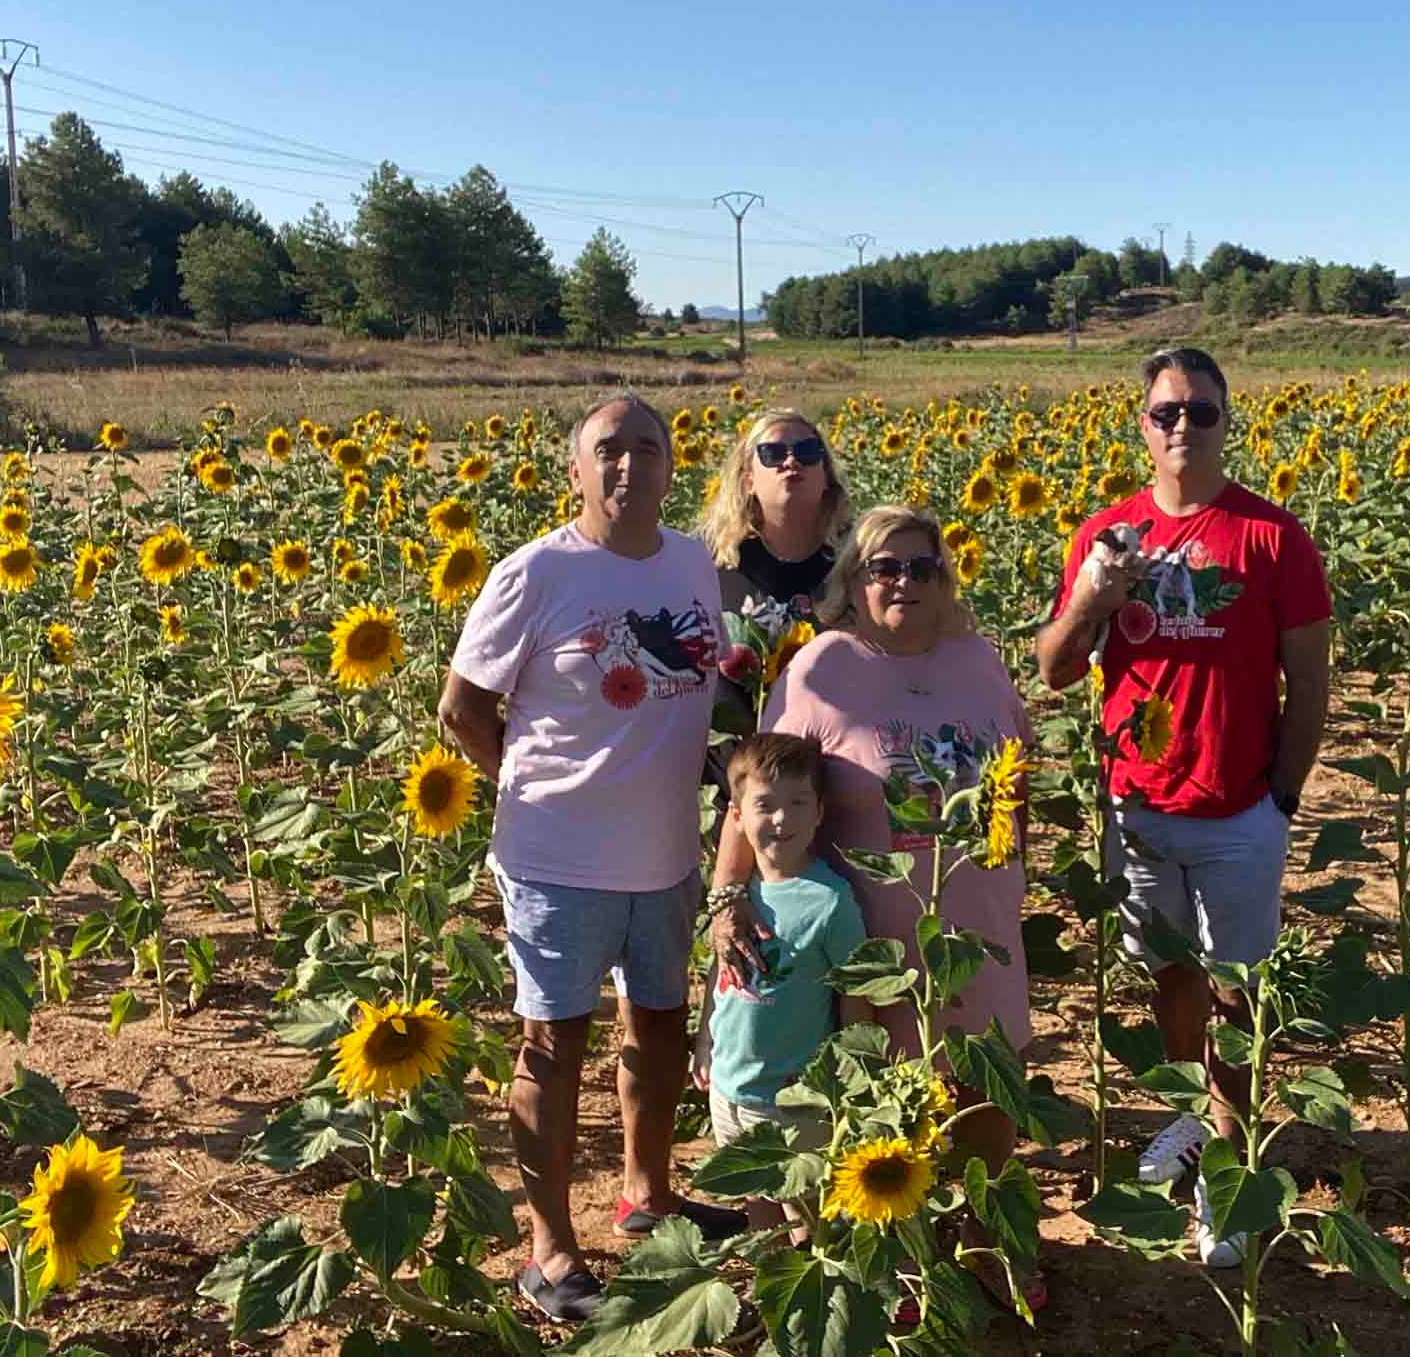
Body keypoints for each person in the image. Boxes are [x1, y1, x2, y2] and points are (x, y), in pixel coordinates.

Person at [438, 393, 745, 1324]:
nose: (626, 467)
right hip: (556, 858)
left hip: (664, 854)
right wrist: (534, 786)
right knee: (552, 1047)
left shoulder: (695, 564)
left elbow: (705, 678)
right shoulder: (535, 573)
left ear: (668, 465)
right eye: (607, 451)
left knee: (655, 1032)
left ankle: (646, 1196)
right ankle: (550, 1246)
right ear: (576, 470)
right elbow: (461, 710)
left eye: (645, 449)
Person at [1035, 346, 1331, 1269]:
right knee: (1170, 976)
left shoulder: (1274, 538)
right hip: (1137, 807)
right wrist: (1095, 595)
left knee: (1240, 996)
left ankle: (1228, 1181)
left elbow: (1310, 683)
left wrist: (1281, 795)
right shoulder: (1106, 536)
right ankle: (1187, 1117)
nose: (1181, 428)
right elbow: (1054, 670)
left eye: (1199, 413)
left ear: (1225, 421)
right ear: (1142, 424)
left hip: (1240, 808)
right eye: (1166, 412)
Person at [710, 504, 1046, 1310]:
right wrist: (728, 901)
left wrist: (1017, 862)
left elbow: (1017, 766)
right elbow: (754, 793)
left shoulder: (977, 659)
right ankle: (890, 1256)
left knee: (988, 1083)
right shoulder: (824, 667)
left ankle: (982, 1241)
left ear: (943, 579)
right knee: (879, 1095)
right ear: (851, 583)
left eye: (920, 567)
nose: (902, 582)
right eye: (882, 568)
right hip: (871, 938)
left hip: (977, 919)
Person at [692, 732, 870, 1239]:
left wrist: (853, 1076)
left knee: (803, 1206)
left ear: (818, 814)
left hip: (794, 1096)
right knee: (756, 1204)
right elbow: (719, 972)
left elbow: (854, 995)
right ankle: (772, 1290)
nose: (781, 820)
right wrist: (705, 1038)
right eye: (765, 805)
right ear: (738, 816)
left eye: (798, 804)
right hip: (728, 1084)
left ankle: (809, 1287)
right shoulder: (737, 899)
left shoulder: (830, 901)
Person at [696, 405, 852, 620]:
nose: (791, 462)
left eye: (807, 451)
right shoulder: (707, 557)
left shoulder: (859, 553)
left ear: (826, 475)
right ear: (749, 481)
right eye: (773, 453)